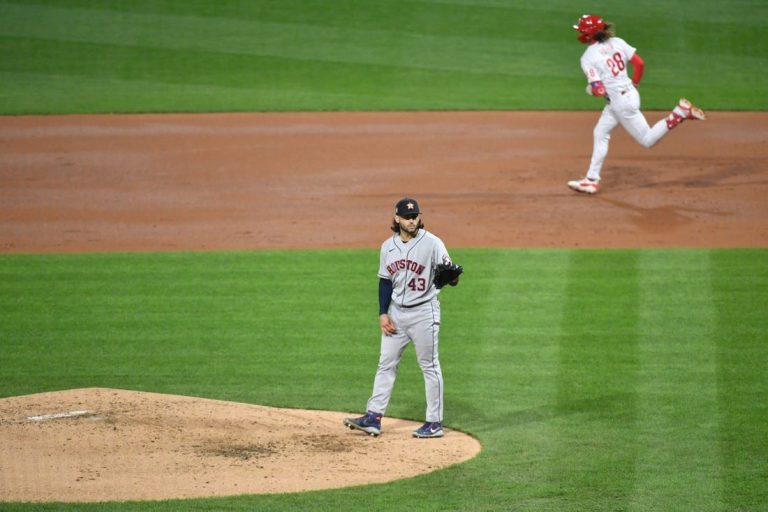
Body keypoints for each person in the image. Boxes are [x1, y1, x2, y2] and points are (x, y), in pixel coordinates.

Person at [344, 197, 459, 439]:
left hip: (424, 312)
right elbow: (385, 281)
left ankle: (434, 422)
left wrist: (452, 278)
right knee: (385, 364)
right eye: (407, 217)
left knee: (429, 365)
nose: (411, 220)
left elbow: (452, 276)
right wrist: (383, 313)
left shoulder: (433, 243)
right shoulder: (387, 247)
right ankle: (373, 417)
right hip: (396, 313)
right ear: (397, 219)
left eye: (415, 216)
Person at [568, 14, 706, 195]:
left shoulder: (588, 57)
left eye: (582, 30)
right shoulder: (617, 42)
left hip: (620, 103)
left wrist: (590, 90)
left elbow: (598, 90)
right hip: (627, 96)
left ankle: (679, 114)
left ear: (589, 34)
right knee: (600, 132)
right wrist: (634, 84)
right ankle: (591, 180)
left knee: (647, 140)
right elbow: (639, 63)